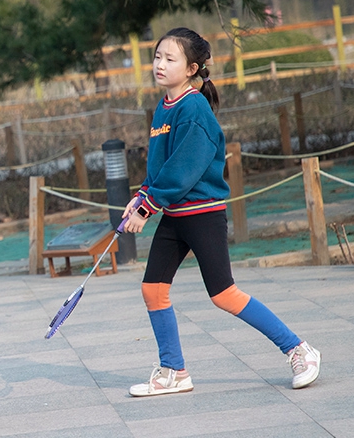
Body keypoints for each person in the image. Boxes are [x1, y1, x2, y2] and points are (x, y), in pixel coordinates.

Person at [121, 28, 321, 397]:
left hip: (202, 214)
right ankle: (174, 371)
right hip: (175, 215)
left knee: (224, 294)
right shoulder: (163, 108)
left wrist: (148, 208)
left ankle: (298, 349)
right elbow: (161, 167)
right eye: (157, 57)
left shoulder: (193, 107)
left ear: (192, 67)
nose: (160, 64)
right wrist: (141, 195)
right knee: (153, 289)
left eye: (170, 59)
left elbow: (184, 168)